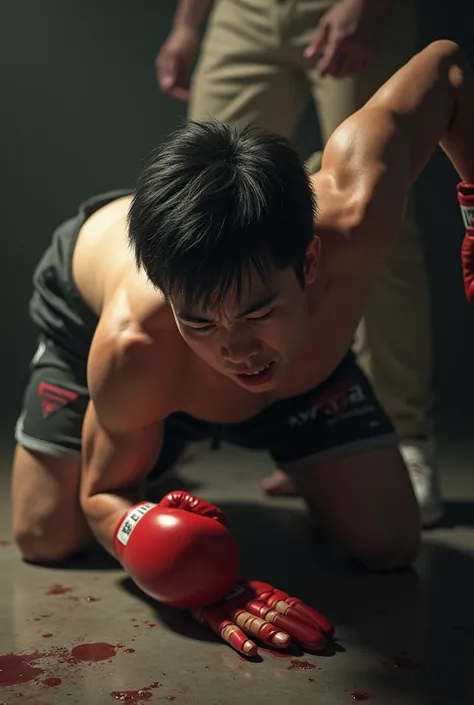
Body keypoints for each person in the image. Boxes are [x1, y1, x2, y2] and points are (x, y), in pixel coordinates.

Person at [11, 40, 474, 651]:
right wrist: (196, 583)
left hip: (296, 374)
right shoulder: (134, 345)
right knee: (45, 533)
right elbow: (103, 495)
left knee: (390, 542)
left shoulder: (356, 216)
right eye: (200, 322)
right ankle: (160, 433)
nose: (236, 349)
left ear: (309, 262)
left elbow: (447, 69)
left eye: (259, 310)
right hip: (143, 364)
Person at [155, 0, 441, 525]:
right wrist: (187, 25)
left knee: (375, 217)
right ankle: (198, 417)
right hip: (244, 10)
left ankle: (404, 435)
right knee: (206, 225)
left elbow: (447, 72)